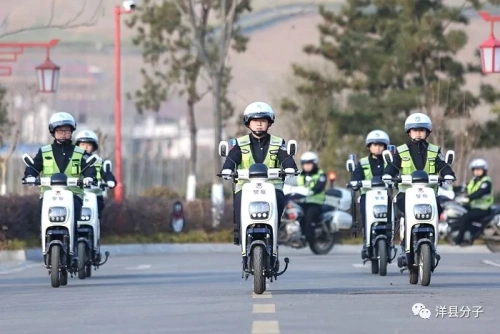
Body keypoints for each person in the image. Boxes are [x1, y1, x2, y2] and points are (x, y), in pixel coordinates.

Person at [382, 112, 455, 266]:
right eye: (415, 130)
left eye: (422, 130)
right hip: (406, 193)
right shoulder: (401, 151)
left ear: (427, 132)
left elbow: (443, 166)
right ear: (409, 132)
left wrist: (448, 175)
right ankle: (404, 241)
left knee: (439, 208)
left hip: (428, 193)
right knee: (401, 210)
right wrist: (388, 175)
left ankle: (432, 241)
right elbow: (392, 167)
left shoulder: (435, 151)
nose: (418, 133)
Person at [220, 101, 298, 245]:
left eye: (263, 120)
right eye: (255, 120)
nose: (259, 124)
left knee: (280, 200)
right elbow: (232, 158)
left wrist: (290, 167)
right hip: (245, 186)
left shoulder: (278, 142)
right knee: (238, 202)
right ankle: (241, 234)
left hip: (272, 186)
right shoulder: (239, 143)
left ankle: (276, 230)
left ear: (269, 123)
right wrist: (227, 169)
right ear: (248, 123)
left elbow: (285, 157)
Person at [23, 112, 97, 256]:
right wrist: (30, 175)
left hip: (73, 194)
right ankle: (44, 238)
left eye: (67, 130)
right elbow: (34, 166)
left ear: (71, 132)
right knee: (43, 216)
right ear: (53, 132)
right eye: (60, 130)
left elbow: (89, 168)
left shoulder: (80, 152)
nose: (63, 133)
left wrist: (89, 177)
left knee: (74, 218)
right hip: (49, 194)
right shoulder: (44, 152)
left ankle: (73, 246)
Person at [350, 130, 390, 259]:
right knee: (366, 215)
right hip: (368, 196)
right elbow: (356, 175)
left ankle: (389, 239)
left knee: (390, 216)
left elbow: (395, 174)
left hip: (384, 195)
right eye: (374, 145)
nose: (378, 148)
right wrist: (355, 182)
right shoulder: (363, 163)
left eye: (381, 145)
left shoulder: (389, 162)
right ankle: (367, 241)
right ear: (369, 147)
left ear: (385, 147)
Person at [75, 130, 117, 219]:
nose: (85, 147)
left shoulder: (99, 162)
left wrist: (110, 181)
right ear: (77, 146)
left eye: (88, 145)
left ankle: (94, 229)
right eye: (82, 144)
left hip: (94, 195)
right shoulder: (72, 162)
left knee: (96, 212)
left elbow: (106, 173)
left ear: (94, 147)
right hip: (76, 194)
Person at [453, 158, 494, 245]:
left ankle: (460, 239)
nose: (477, 172)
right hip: (473, 207)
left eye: (479, 169)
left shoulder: (486, 182)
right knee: (457, 211)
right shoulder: (473, 181)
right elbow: (463, 188)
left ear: (484, 170)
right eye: (475, 170)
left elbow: (479, 193)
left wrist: (468, 198)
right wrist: (449, 190)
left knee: (465, 217)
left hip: (483, 209)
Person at [296, 151, 327, 242]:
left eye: (309, 164)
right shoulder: (300, 175)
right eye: (304, 164)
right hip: (302, 201)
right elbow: (296, 184)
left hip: (316, 202)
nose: (306, 166)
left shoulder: (320, 174)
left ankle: (309, 237)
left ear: (314, 163)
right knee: (295, 213)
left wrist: (312, 191)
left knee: (309, 215)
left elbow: (320, 186)